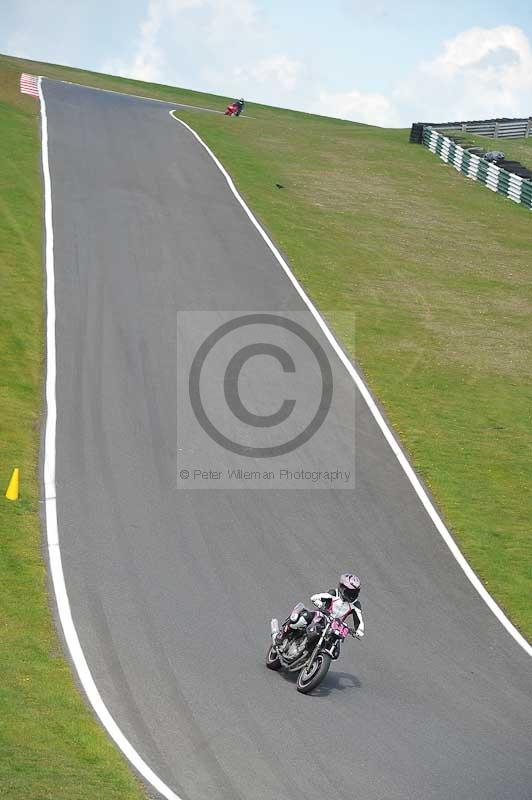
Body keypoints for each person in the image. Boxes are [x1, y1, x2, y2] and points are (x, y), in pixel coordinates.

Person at [276, 573, 365, 647]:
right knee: (305, 616)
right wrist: (321, 606)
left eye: (354, 593)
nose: (351, 595)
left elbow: (359, 620)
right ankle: (283, 633)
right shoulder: (334, 593)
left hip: (335, 626)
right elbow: (315, 598)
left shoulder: (355, 604)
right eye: (349, 592)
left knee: (335, 647)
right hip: (321, 616)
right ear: (342, 587)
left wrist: (358, 631)